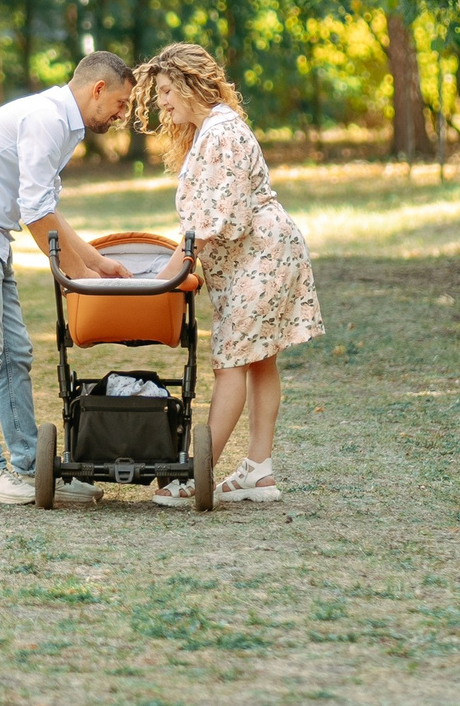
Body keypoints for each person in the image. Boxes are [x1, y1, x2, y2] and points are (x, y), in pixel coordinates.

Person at [0, 52, 137, 504]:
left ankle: (31, 467)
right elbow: (35, 211)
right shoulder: (46, 119)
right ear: (97, 89)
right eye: (120, 102)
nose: (123, 114)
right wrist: (77, 277)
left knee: (14, 353)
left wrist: (96, 263)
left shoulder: (62, 124)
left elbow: (46, 209)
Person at [133, 43, 323, 506]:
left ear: (188, 83)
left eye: (164, 90)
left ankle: (195, 475)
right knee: (258, 358)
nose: (160, 102)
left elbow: (215, 223)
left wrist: (165, 275)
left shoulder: (221, 133)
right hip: (261, 253)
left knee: (232, 361)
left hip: (262, 255)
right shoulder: (210, 131)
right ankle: (259, 471)